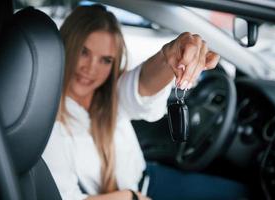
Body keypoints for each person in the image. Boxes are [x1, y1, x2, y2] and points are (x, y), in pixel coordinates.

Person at [42, 4, 250, 200]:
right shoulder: (47, 119)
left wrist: (170, 56)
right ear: (66, 47)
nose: (91, 69)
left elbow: (142, 85)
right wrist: (131, 197)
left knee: (242, 192)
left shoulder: (109, 93)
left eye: (105, 60)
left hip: (150, 178)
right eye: (83, 52)